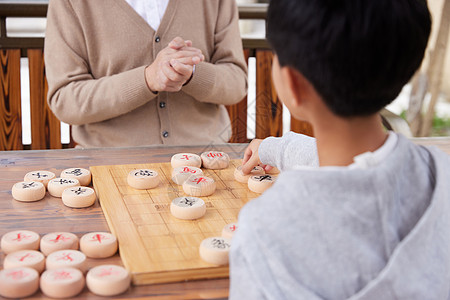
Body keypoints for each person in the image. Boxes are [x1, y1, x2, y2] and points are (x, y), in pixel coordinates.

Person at [230, 0, 450, 299]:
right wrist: (274, 148)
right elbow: (362, 171)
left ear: (292, 85)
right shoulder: (442, 174)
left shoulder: (264, 232)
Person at [44, 0, 247, 148]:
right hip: (109, 164)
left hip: (206, 161)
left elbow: (237, 82)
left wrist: (191, 72)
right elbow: (65, 99)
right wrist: (147, 80)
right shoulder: (70, 3)